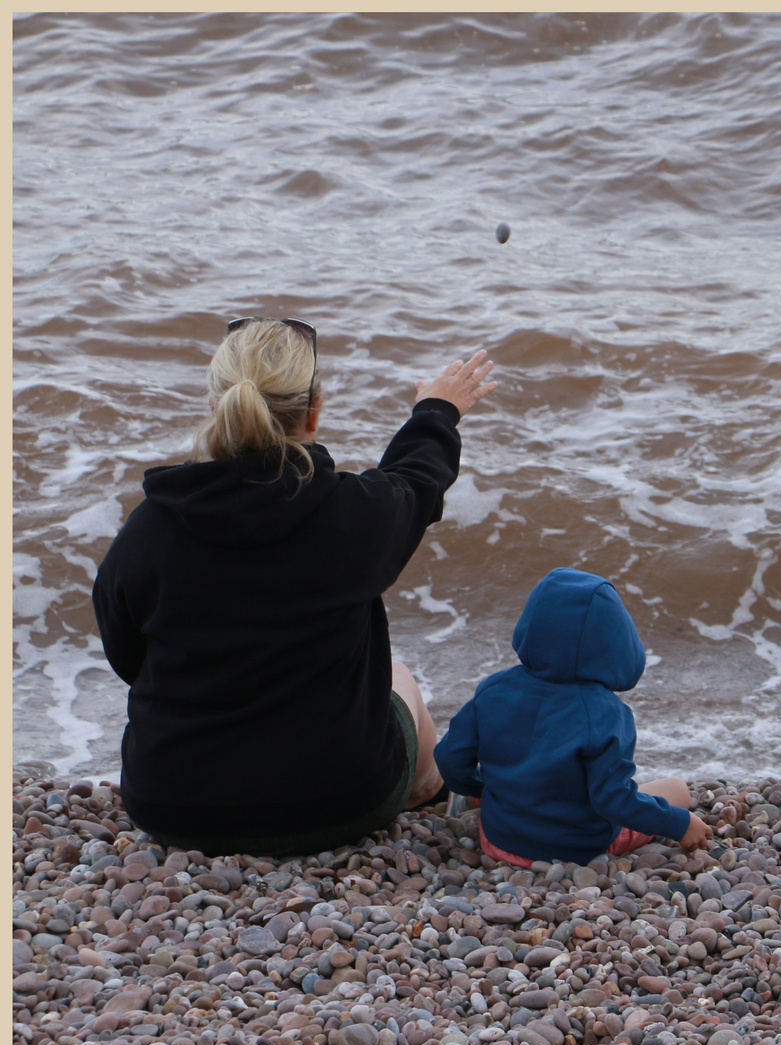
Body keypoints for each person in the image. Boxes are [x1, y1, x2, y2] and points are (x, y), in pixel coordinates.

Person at [92, 316, 498, 856]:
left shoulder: (149, 531)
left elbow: (128, 659)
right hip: (339, 803)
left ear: (217, 407)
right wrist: (437, 410)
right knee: (397, 677)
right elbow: (417, 482)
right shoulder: (353, 516)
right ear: (314, 411)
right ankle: (428, 798)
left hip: (173, 806)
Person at [433, 567, 714, 866]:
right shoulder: (606, 714)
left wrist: (482, 789)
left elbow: (450, 758)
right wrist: (678, 824)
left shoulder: (493, 690)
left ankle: (476, 804)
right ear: (617, 641)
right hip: (575, 850)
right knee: (677, 789)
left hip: (497, 839)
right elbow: (613, 801)